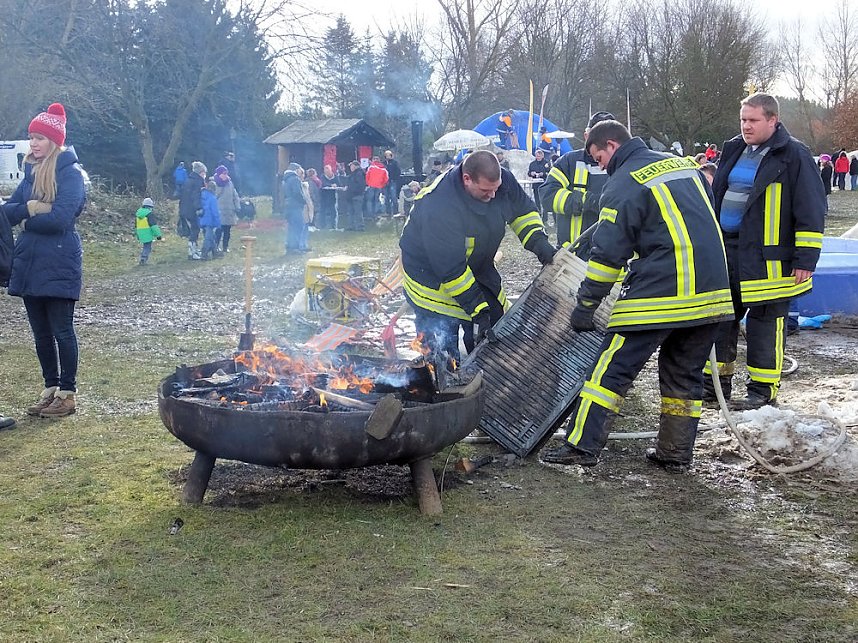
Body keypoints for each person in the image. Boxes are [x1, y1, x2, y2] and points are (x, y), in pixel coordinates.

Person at [542, 120, 733, 471]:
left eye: (598, 157)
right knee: (683, 376)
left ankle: (581, 447)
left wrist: (586, 305)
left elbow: (607, 257)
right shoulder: (685, 167)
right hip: (712, 292)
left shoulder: (623, 183)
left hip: (661, 293)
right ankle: (674, 453)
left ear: (611, 145)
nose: (599, 165)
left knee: (610, 369)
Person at [706, 93, 826, 410]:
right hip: (728, 251)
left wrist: (805, 259)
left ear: (772, 120)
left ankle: (761, 391)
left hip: (768, 260)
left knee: (765, 323)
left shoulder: (794, 155)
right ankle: (715, 386)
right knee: (719, 318)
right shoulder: (734, 149)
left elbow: (812, 209)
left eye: (753, 120)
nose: (746, 126)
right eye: (743, 119)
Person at [399, 150, 557, 362]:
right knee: (444, 351)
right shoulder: (439, 205)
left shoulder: (501, 181)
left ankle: (489, 376)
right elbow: (451, 270)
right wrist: (478, 312)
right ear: (467, 179)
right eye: (485, 190)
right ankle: (447, 378)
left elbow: (522, 212)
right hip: (432, 280)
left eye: (496, 189)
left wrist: (540, 244)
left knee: (497, 325)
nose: (493, 196)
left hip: (476, 266)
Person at [3, 102, 86, 418]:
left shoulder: (71, 174)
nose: (34, 143)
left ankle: (68, 394)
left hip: (60, 261)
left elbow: (62, 219)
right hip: (29, 264)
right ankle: (50, 389)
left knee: (62, 331)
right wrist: (32, 208)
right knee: (40, 333)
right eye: (32, 137)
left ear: (55, 140)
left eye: (40, 137)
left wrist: (30, 216)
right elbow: (7, 213)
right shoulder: (29, 173)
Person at [540, 111, 615, 248]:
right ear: (586, 136)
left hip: (611, 254)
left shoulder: (624, 165)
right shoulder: (568, 162)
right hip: (573, 252)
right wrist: (586, 200)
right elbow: (547, 195)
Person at [179, 161, 206, 260]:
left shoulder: (188, 180)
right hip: (192, 210)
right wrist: (199, 208)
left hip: (184, 209)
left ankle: (193, 250)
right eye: (204, 172)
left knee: (193, 230)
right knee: (195, 230)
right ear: (201, 172)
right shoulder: (197, 182)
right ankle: (192, 252)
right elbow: (196, 196)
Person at [213, 165, 240, 253]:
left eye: (226, 173)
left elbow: (235, 195)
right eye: (223, 173)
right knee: (218, 230)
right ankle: (216, 246)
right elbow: (215, 195)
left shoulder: (230, 182)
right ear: (219, 174)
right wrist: (221, 185)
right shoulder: (214, 183)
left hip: (229, 210)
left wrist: (237, 206)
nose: (225, 175)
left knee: (227, 231)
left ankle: (225, 247)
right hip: (219, 210)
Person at [282, 162, 308, 252]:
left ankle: (290, 246)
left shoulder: (286, 179)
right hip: (295, 206)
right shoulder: (295, 179)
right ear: (296, 169)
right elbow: (297, 193)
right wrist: (304, 201)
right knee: (298, 226)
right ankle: (295, 247)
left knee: (291, 227)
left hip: (288, 205)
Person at [198, 180, 221, 260]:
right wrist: (218, 223)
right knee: (208, 238)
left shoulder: (201, 195)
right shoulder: (212, 198)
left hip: (202, 219)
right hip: (210, 220)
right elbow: (215, 212)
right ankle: (204, 254)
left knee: (211, 237)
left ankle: (215, 252)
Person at [135, 197, 162, 265]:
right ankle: (143, 259)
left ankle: (142, 259)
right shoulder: (149, 214)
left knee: (145, 246)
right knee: (147, 247)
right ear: (150, 207)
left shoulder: (138, 214)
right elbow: (153, 226)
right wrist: (158, 235)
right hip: (147, 233)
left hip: (140, 233)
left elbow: (136, 226)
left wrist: (137, 235)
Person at [527, 149, 552, 220]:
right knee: (537, 200)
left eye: (539, 156)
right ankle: (538, 214)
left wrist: (543, 174)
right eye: (536, 156)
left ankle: (545, 217)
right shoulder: (532, 164)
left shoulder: (546, 163)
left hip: (544, 184)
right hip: (535, 184)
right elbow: (529, 173)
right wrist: (531, 173)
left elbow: (549, 173)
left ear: (542, 156)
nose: (538, 157)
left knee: (544, 200)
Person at [364, 156, 389, 220]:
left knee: (369, 200)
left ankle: (370, 215)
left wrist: (368, 183)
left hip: (371, 186)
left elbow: (367, 176)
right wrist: (382, 185)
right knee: (377, 200)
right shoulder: (383, 168)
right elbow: (386, 179)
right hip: (379, 186)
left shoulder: (371, 167)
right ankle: (375, 214)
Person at [344, 160, 366, 231]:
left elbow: (360, 185)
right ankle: (351, 226)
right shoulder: (353, 174)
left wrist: (353, 191)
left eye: (352, 166)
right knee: (350, 212)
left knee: (358, 212)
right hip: (351, 195)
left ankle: (360, 227)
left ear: (356, 166)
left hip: (356, 195)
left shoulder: (359, 174)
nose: (350, 167)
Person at [319, 164, 340, 229]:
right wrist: (331, 185)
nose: (327, 173)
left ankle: (333, 225)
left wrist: (336, 185)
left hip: (332, 196)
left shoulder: (335, 176)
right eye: (325, 171)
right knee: (322, 211)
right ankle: (322, 225)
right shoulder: (322, 176)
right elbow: (323, 183)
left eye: (328, 171)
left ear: (331, 171)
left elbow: (339, 184)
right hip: (323, 196)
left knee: (333, 211)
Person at [383, 150, 401, 216]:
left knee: (394, 197)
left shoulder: (395, 163)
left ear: (391, 155)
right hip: (385, 183)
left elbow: (398, 171)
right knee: (386, 198)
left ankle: (395, 212)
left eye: (388, 155)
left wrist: (394, 178)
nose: (387, 156)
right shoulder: (383, 163)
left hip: (392, 182)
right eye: (386, 155)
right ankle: (388, 212)